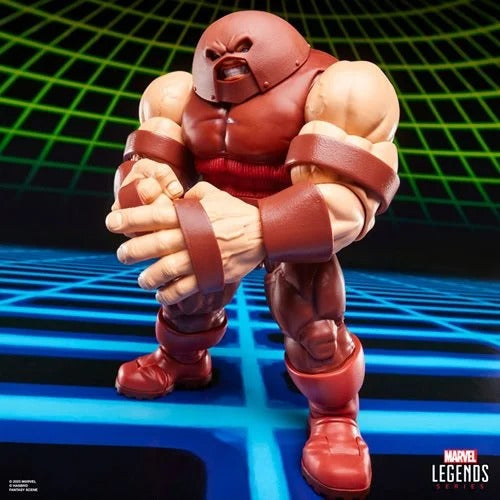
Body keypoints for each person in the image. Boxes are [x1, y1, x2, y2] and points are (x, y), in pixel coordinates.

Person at [105, 10, 399, 498]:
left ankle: (335, 417)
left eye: (241, 50)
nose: (227, 62)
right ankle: (181, 360)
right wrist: (146, 190)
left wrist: (265, 228)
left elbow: (353, 198)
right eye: (215, 55)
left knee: (315, 326)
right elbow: (145, 162)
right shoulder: (176, 94)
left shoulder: (340, 88)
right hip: (211, 218)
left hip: (296, 223)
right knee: (185, 301)